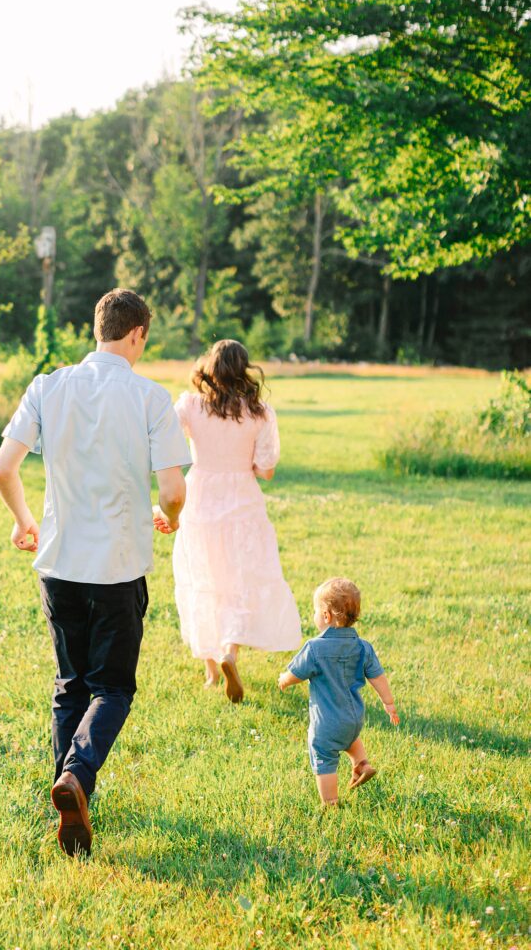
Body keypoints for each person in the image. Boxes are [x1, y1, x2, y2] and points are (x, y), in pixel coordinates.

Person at [0, 289, 192, 857]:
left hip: (58, 561)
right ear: (138, 335)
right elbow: (174, 489)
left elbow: (3, 468)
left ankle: (72, 800)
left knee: (69, 685)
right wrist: (167, 514)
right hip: (118, 565)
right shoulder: (150, 397)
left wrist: (24, 520)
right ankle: (77, 777)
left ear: (97, 329)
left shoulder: (47, 386)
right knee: (112, 687)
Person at [162, 339, 301, 703]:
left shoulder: (191, 404)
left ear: (210, 366)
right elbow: (266, 470)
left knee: (203, 577)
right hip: (243, 499)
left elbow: (168, 443)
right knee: (239, 579)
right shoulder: (260, 412)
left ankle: (211, 672)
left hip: (201, 497)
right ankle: (230, 652)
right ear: (244, 369)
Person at [278, 577, 399, 806]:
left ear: (326, 616)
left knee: (323, 753)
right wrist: (388, 703)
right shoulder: (363, 646)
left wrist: (284, 680)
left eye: (315, 610)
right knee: (348, 738)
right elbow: (377, 677)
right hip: (354, 718)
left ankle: (331, 802)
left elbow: (296, 673)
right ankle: (361, 764)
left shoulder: (314, 648)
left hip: (327, 723)